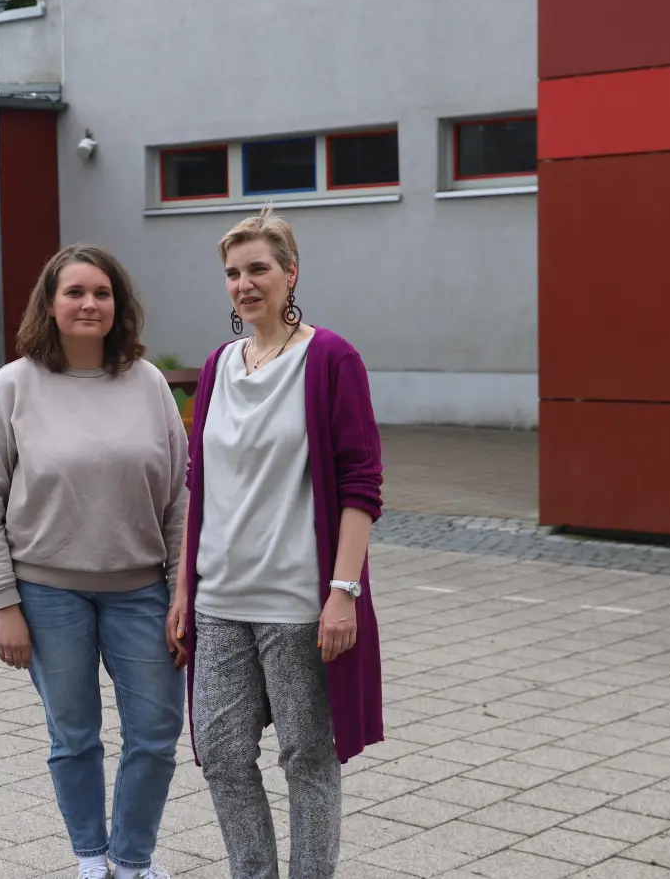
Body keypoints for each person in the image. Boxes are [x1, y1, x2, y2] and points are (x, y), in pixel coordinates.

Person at [166, 208, 385, 879]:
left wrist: (341, 593)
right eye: (233, 273)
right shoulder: (217, 366)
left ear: (292, 273)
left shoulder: (331, 360)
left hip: (297, 604)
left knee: (307, 758)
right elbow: (199, 484)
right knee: (224, 757)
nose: (245, 284)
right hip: (219, 601)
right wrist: (182, 588)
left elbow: (361, 484)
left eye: (259, 268)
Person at [0, 244, 189, 879]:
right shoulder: (13, 386)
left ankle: (133, 859)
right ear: (51, 303)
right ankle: (92, 856)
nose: (90, 303)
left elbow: (179, 498)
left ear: (119, 305)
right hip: (46, 594)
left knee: (154, 732)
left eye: (102, 293)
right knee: (75, 737)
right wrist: (4, 606)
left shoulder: (147, 384)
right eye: (75, 292)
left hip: (143, 591)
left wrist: (181, 593)